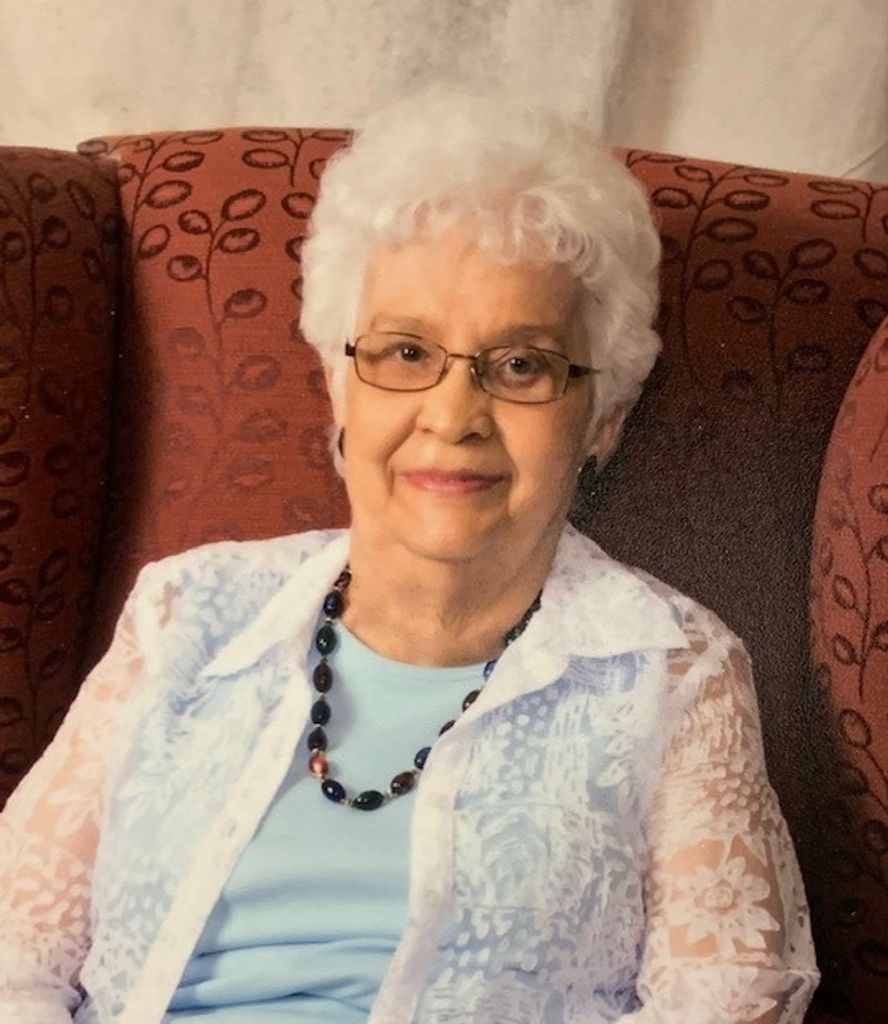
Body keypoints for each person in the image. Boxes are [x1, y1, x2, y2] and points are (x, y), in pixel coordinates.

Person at [0, 85, 819, 1024]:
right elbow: (13, 952)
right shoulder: (187, 612)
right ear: (338, 386)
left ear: (603, 418)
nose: (453, 416)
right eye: (404, 353)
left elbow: (728, 1001)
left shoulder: (671, 667)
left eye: (521, 365)